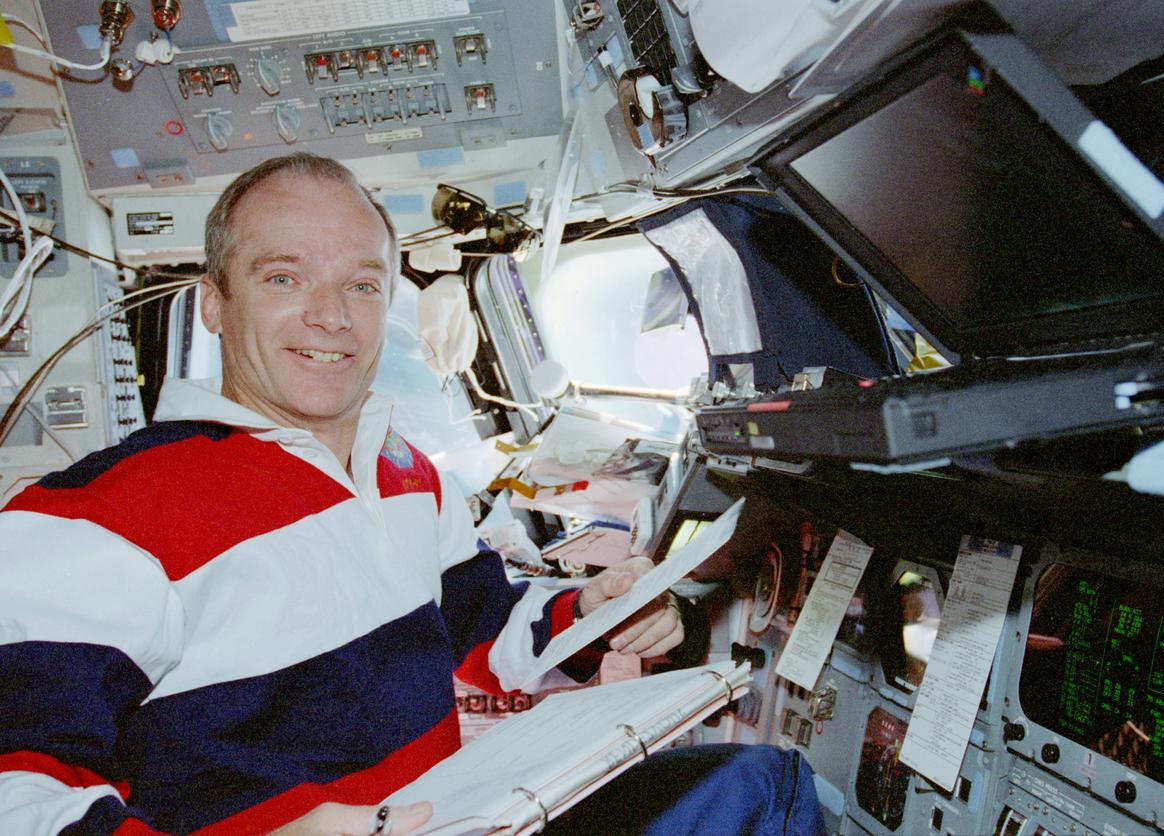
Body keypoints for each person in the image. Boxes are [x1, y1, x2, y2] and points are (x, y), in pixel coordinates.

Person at [0, 153, 822, 834]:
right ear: (213, 304)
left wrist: (595, 612)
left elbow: (483, 631)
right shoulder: (93, 517)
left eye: (362, 285)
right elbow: (16, 792)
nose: (332, 317)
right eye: (285, 278)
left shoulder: (404, 473)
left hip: (454, 816)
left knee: (761, 781)